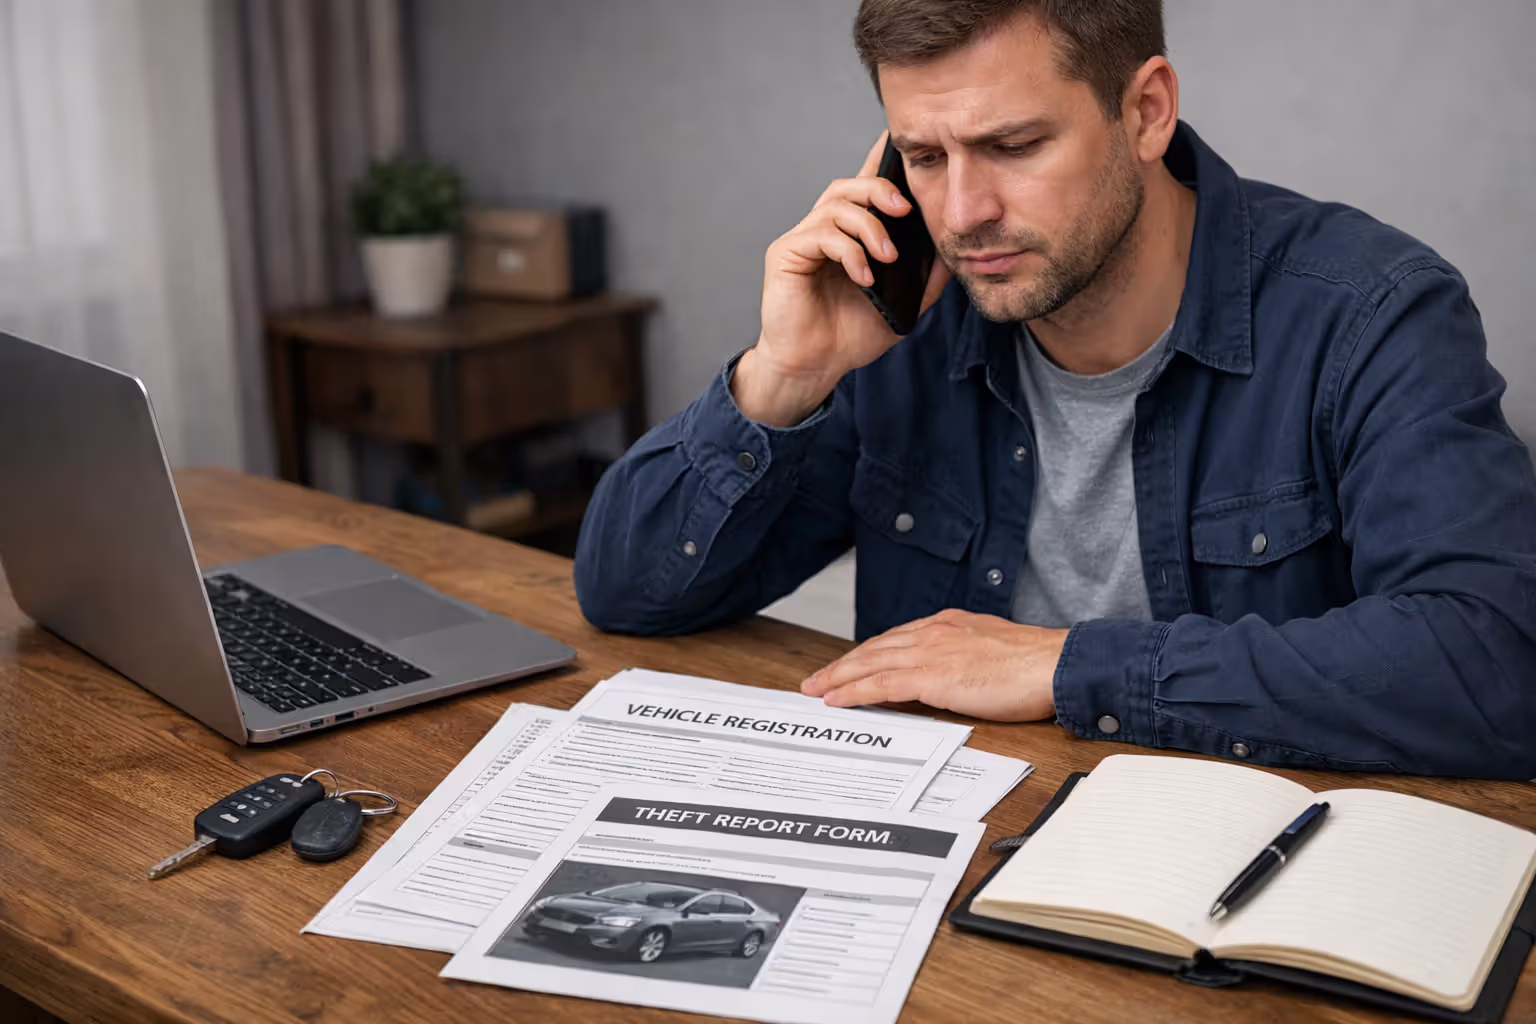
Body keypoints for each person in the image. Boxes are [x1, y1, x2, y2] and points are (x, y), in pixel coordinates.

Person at [573, 0, 1536, 778]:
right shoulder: (905, 321)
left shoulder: (1371, 313)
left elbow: (1493, 663)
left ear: (1147, 110)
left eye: (1015, 145)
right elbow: (627, 592)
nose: (962, 213)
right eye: (924, 156)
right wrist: (785, 376)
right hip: (954, 845)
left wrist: (1068, 663)